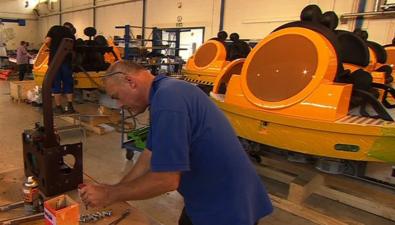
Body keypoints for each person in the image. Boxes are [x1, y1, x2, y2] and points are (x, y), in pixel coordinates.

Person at [80, 60, 273, 225]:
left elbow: (166, 180)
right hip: (203, 198)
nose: (120, 105)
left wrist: (110, 195)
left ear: (130, 82)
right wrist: (114, 191)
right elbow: (149, 154)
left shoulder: (169, 99)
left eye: (117, 97)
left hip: (226, 206)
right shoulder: (163, 93)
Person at [45, 22, 76, 114]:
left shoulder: (54, 28)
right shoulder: (71, 34)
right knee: (68, 83)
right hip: (66, 62)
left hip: (55, 61)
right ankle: (70, 106)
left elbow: (47, 41)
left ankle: (58, 107)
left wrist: (52, 48)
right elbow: (73, 50)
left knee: (56, 84)